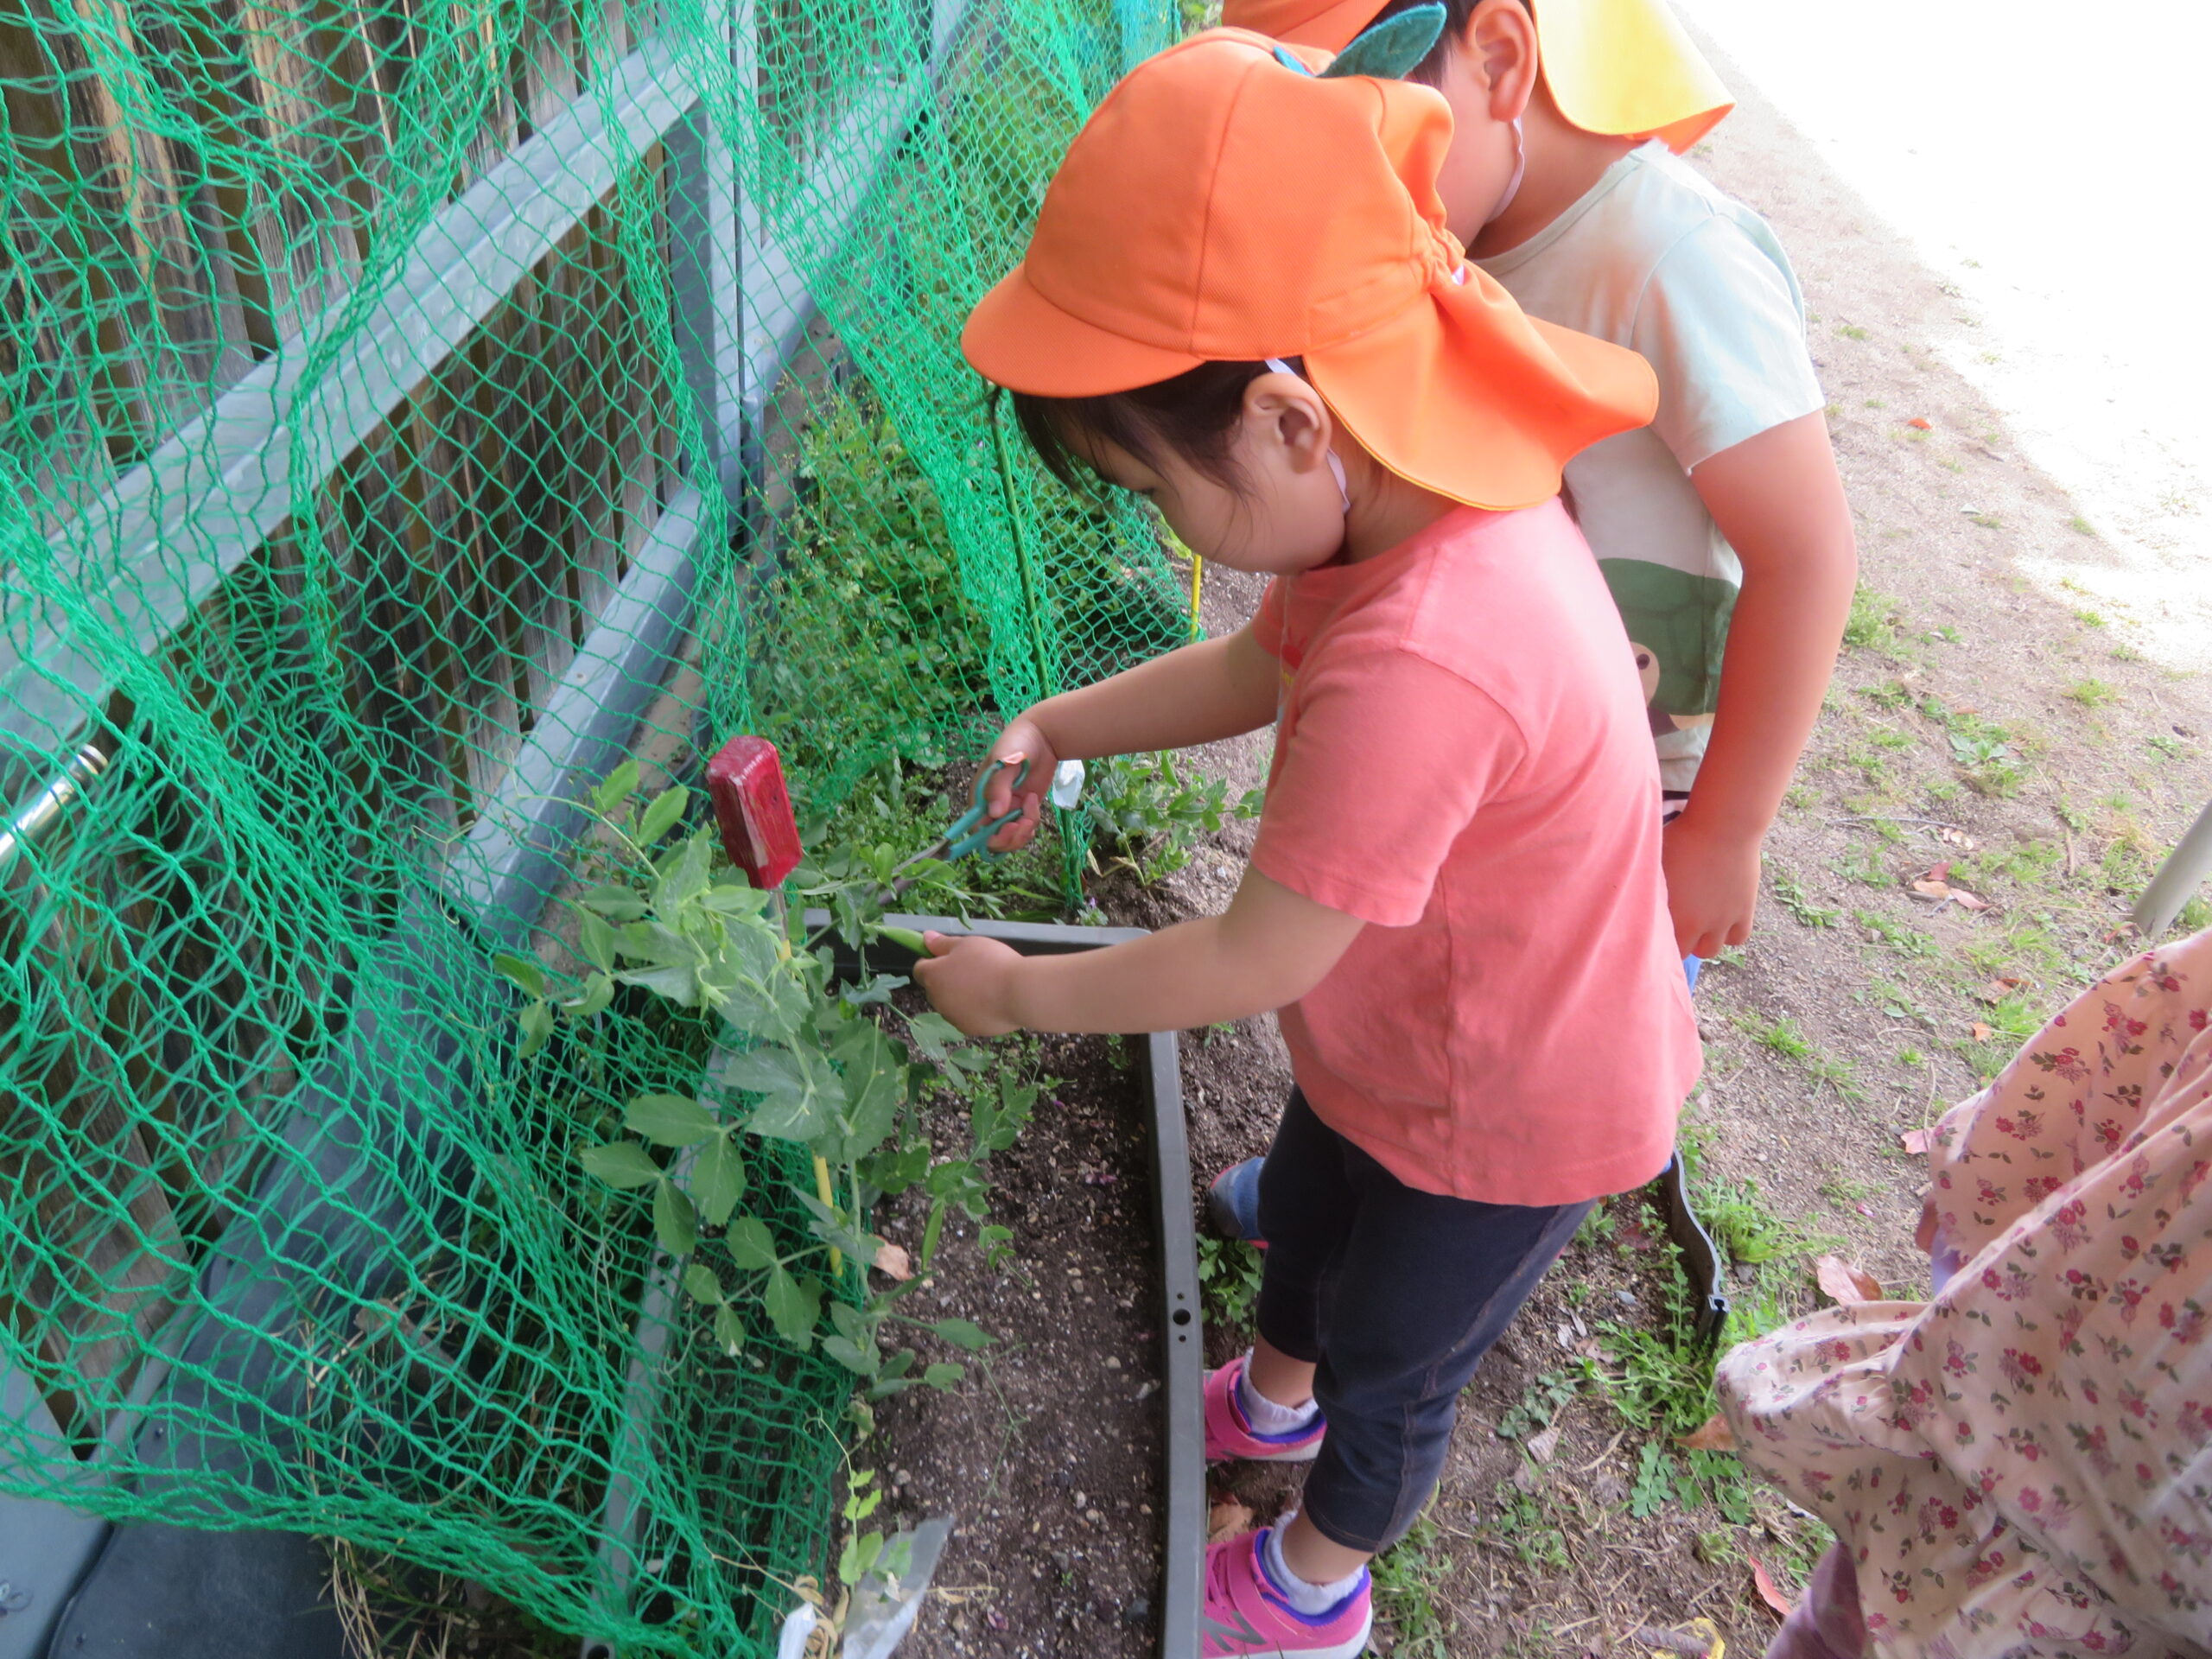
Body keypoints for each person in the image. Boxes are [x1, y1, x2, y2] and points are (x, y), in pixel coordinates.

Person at [911, 25, 1701, 1656]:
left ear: (1283, 423)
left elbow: (1255, 952)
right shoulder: (1399, 490)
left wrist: (1017, 998)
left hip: (1520, 1101)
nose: (1165, 528)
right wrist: (1055, 723)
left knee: (1401, 1356)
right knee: (1313, 1219)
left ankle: (1311, 1583)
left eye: (1156, 493)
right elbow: (1255, 664)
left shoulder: (1436, 644)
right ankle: (1269, 1400)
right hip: (1408, 1024)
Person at [1201, 0, 1857, 1245]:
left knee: (1522, 1066)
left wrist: (1724, 831)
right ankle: (1329, 1184)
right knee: (1387, 969)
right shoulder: (1439, 220)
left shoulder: (1666, 254)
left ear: (1499, 54)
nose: (1362, 178)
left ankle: (1424, 1258)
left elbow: (1809, 553)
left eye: (1382, 118)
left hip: (1625, 795)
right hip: (1473, 735)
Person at [1717, 931, 2212, 1659]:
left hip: (1987, 1468)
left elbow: (2030, 1136)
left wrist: (1969, 1195)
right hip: (1991, 1486)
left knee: (1841, 1633)